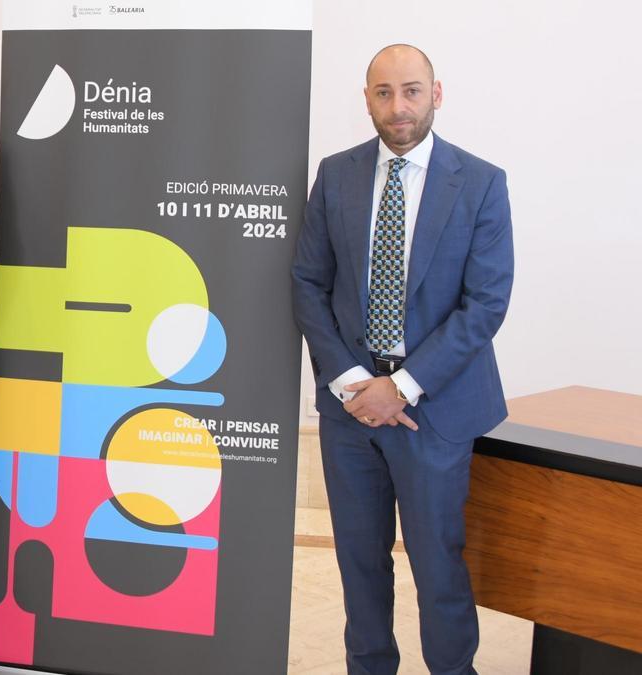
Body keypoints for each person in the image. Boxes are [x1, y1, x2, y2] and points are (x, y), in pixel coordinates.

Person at [291, 44, 513, 674]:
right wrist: (357, 383)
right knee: (359, 562)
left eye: (411, 91)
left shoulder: (481, 182)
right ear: (367, 99)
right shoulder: (336, 175)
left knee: (438, 563)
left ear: (436, 94)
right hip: (350, 413)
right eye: (383, 93)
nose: (399, 107)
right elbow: (308, 282)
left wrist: (403, 386)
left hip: (435, 412)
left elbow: (486, 304)